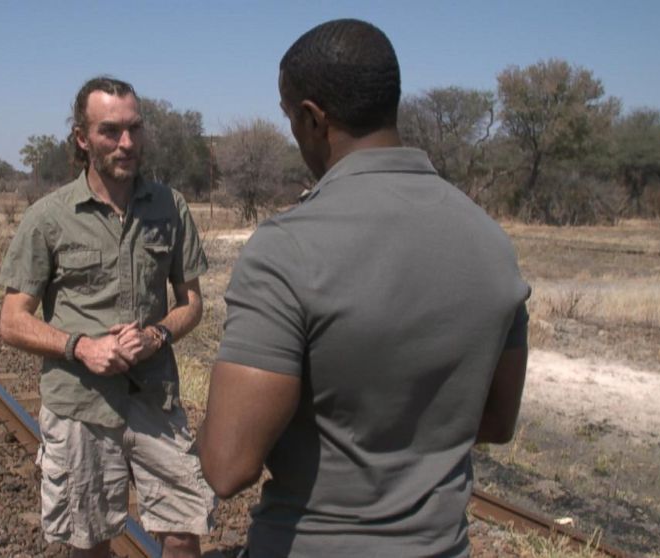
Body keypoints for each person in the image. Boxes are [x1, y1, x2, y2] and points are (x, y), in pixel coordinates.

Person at [197, 19, 530, 557]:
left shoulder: (287, 249)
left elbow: (227, 466)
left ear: (312, 118)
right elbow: (495, 420)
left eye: (290, 119)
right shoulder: (491, 242)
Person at [0, 76, 214, 558]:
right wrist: (82, 347)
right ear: (82, 138)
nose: (126, 143)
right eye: (110, 131)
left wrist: (157, 335)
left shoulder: (169, 206)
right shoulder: (49, 217)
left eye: (135, 129)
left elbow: (193, 303)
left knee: (184, 529)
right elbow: (12, 320)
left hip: (155, 398)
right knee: (91, 539)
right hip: (81, 406)